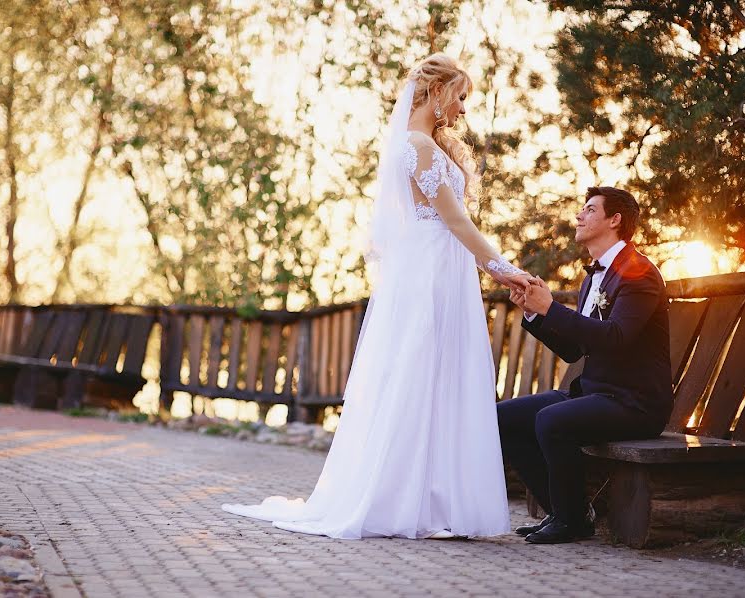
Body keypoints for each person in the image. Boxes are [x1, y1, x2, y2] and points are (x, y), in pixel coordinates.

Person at [222, 53, 531, 539]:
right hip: (432, 272)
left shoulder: (423, 144)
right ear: (436, 91)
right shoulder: (418, 147)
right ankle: (402, 500)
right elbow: (455, 221)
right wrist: (505, 270)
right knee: (420, 375)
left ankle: (431, 500)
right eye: (461, 97)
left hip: (439, 269)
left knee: (436, 378)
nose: (464, 109)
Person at [500, 186, 673, 544]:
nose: (579, 215)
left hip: (635, 403)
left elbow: (616, 337)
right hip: (596, 394)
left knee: (550, 420)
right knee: (502, 419)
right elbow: (574, 350)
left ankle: (571, 520)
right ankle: (566, 513)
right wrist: (533, 312)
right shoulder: (594, 276)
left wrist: (552, 308)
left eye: (590, 209)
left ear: (615, 220)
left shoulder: (638, 272)